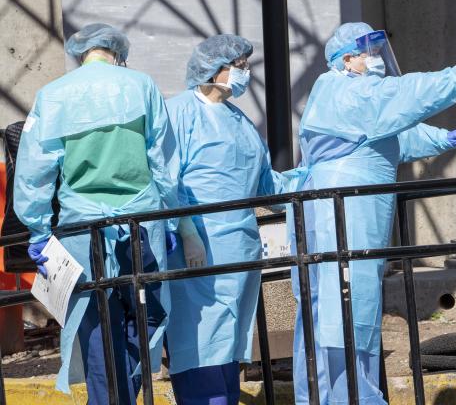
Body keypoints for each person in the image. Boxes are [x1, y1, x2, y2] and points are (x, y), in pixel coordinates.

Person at [287, 22, 456, 405]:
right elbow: (400, 97)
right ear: (345, 59)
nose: (375, 60)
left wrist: (443, 137)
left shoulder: (358, 102)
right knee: (341, 307)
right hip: (341, 212)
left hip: (361, 213)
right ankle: (340, 396)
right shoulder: (339, 90)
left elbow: (394, 134)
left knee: (358, 306)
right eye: (367, 52)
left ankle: (354, 393)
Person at [14, 23, 181, 404]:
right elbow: (163, 159)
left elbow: (34, 172)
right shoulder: (141, 85)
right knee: (145, 315)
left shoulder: (53, 95)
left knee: (95, 322)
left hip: (81, 229)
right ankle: (123, 392)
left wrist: (37, 228)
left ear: (80, 53)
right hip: (141, 223)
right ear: (118, 53)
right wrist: (170, 216)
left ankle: (108, 398)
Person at [164, 34, 284, 405]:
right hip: (198, 248)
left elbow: (267, 183)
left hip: (239, 248)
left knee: (230, 337)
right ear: (215, 70)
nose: (246, 72)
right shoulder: (178, 112)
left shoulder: (240, 121)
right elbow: (166, 178)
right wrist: (186, 231)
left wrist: (318, 181)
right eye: (240, 66)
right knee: (199, 337)